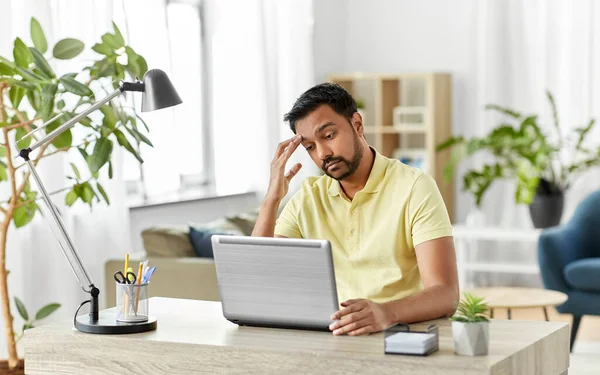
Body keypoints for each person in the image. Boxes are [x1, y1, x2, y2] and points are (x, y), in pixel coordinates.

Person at [251, 82, 459, 336]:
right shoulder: (308, 197)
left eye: (328, 136)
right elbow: (259, 282)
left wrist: (385, 313)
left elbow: (446, 294)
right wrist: (271, 200)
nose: (323, 153)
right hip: (333, 337)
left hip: (399, 334)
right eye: (310, 147)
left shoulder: (415, 187)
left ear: (357, 125)